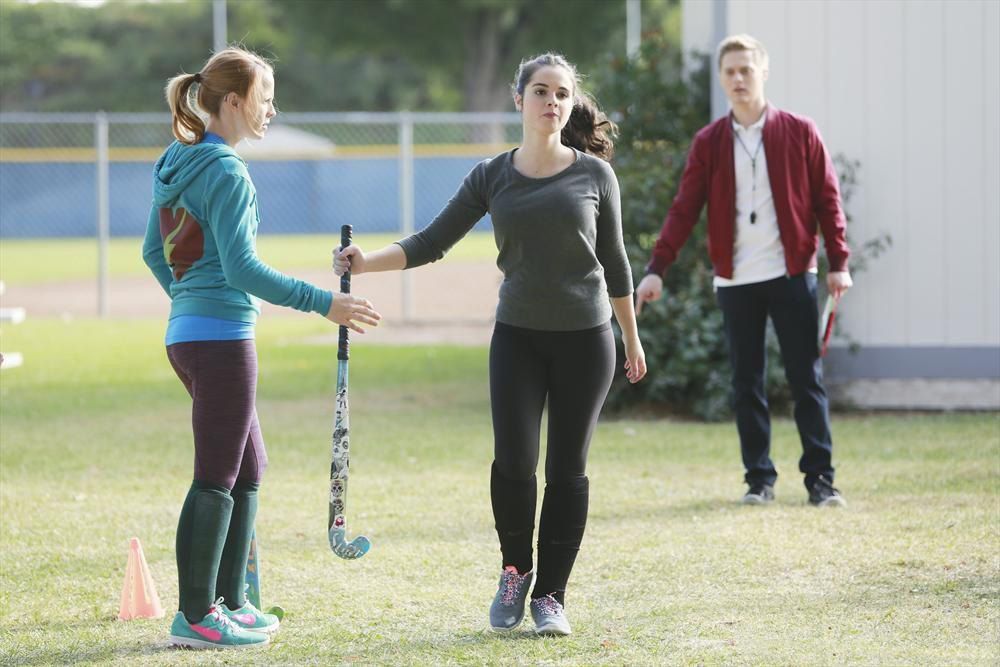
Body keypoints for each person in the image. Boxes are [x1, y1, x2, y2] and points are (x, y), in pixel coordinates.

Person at [334, 53, 646, 636]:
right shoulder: (491, 174)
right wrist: (365, 261)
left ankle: (552, 595)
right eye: (541, 92)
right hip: (518, 339)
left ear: (570, 103)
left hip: (587, 339)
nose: (552, 102)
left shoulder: (595, 176)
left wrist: (631, 337)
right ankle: (515, 572)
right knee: (514, 462)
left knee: (567, 468)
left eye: (561, 94)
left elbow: (617, 262)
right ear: (519, 99)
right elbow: (432, 241)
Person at [142, 46, 380, 650]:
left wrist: (190, 301)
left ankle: (232, 601)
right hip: (219, 338)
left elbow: (153, 252)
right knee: (216, 477)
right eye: (265, 99)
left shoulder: (178, 158)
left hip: (191, 334)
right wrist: (324, 302)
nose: (271, 110)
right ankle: (197, 616)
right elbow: (244, 269)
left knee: (248, 469)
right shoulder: (225, 170)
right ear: (232, 102)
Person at [635, 34, 851, 508]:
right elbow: (684, 209)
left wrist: (838, 262)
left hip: (792, 273)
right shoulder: (709, 143)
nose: (738, 78)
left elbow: (827, 200)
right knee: (745, 380)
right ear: (721, 78)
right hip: (735, 280)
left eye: (746, 70)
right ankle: (759, 480)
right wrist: (657, 269)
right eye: (730, 71)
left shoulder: (799, 130)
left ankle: (821, 480)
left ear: (763, 72)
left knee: (805, 378)